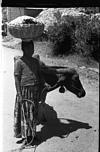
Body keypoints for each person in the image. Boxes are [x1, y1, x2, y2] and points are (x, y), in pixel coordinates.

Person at [14, 40, 64, 146]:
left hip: (35, 91)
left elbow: (40, 75)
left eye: (32, 47)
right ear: (23, 49)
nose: (32, 50)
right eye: (29, 48)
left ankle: (32, 134)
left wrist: (44, 84)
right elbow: (17, 79)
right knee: (26, 115)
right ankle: (26, 137)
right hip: (25, 91)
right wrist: (19, 94)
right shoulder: (19, 62)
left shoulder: (35, 61)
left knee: (34, 113)